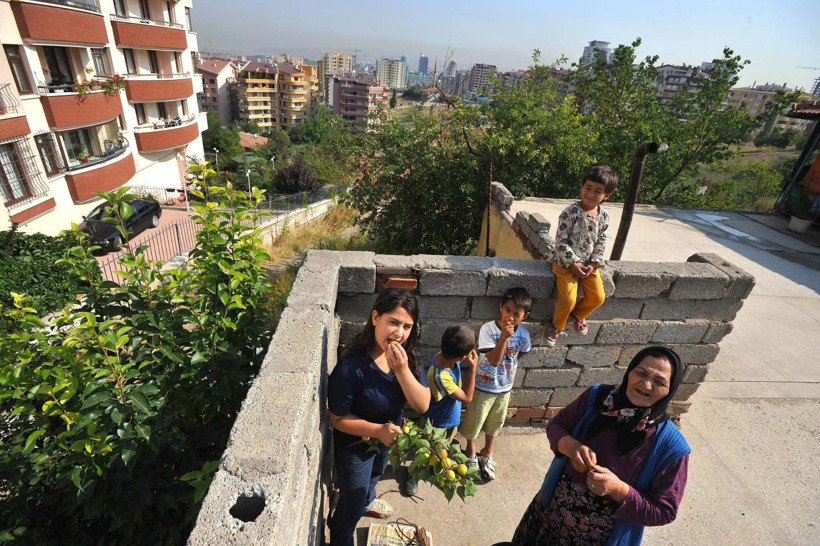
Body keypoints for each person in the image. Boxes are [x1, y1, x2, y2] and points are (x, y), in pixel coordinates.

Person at [511, 346, 690, 546]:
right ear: (629, 371)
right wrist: (573, 448)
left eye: (660, 381)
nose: (647, 385)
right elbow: (557, 425)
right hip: (549, 512)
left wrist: (619, 490)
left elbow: (664, 511)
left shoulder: (671, 447)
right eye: (641, 373)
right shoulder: (598, 398)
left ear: (670, 390)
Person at [327, 289, 430, 546]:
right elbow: (337, 419)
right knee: (350, 506)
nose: (399, 333)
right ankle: (341, 533)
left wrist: (402, 370)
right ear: (375, 318)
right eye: (393, 322)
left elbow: (422, 404)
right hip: (355, 446)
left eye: (407, 326)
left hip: (387, 442)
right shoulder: (351, 367)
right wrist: (376, 431)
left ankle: (367, 501)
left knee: (374, 478)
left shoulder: (409, 358)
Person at [462, 287, 532, 481]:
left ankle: (488, 452)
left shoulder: (524, 335)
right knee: (475, 420)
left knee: (496, 421)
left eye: (516, 314)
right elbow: (493, 361)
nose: (510, 317)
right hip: (483, 385)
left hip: (504, 387)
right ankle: (470, 451)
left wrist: (510, 365)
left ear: (524, 316)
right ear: (501, 307)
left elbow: (522, 352)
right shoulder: (489, 329)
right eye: (507, 310)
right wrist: (504, 338)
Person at [544, 165, 619, 347]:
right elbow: (560, 242)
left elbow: (601, 240)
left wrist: (593, 264)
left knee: (598, 297)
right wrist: (573, 264)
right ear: (582, 186)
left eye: (598, 191)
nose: (591, 194)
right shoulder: (570, 212)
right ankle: (556, 326)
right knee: (568, 300)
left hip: (588, 265)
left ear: (607, 195)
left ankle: (578, 315)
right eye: (588, 188)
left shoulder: (604, 215)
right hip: (565, 263)